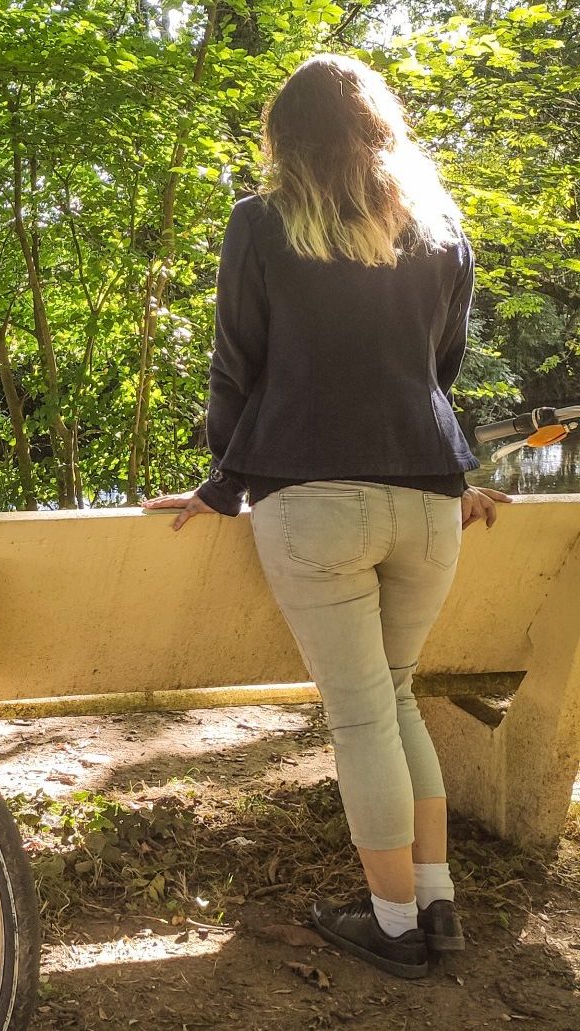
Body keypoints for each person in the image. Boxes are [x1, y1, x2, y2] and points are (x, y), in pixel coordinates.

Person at [142, 54, 512, 979]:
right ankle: (436, 905)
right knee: (394, 697)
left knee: (361, 716)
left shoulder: (261, 224)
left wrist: (222, 484)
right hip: (430, 496)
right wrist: (431, 463)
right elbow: (440, 367)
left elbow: (238, 368)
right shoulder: (437, 229)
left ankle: (393, 929)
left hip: (313, 498)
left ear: (285, 136)